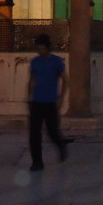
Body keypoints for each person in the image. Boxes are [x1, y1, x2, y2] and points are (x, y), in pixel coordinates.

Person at [27, 33, 67, 171]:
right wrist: (29, 97)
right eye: (39, 48)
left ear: (47, 48)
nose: (40, 51)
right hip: (37, 101)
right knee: (34, 133)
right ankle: (37, 162)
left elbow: (65, 79)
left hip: (50, 101)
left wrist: (61, 98)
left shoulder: (56, 62)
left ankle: (61, 145)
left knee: (52, 131)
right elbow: (32, 80)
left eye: (42, 48)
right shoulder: (35, 62)